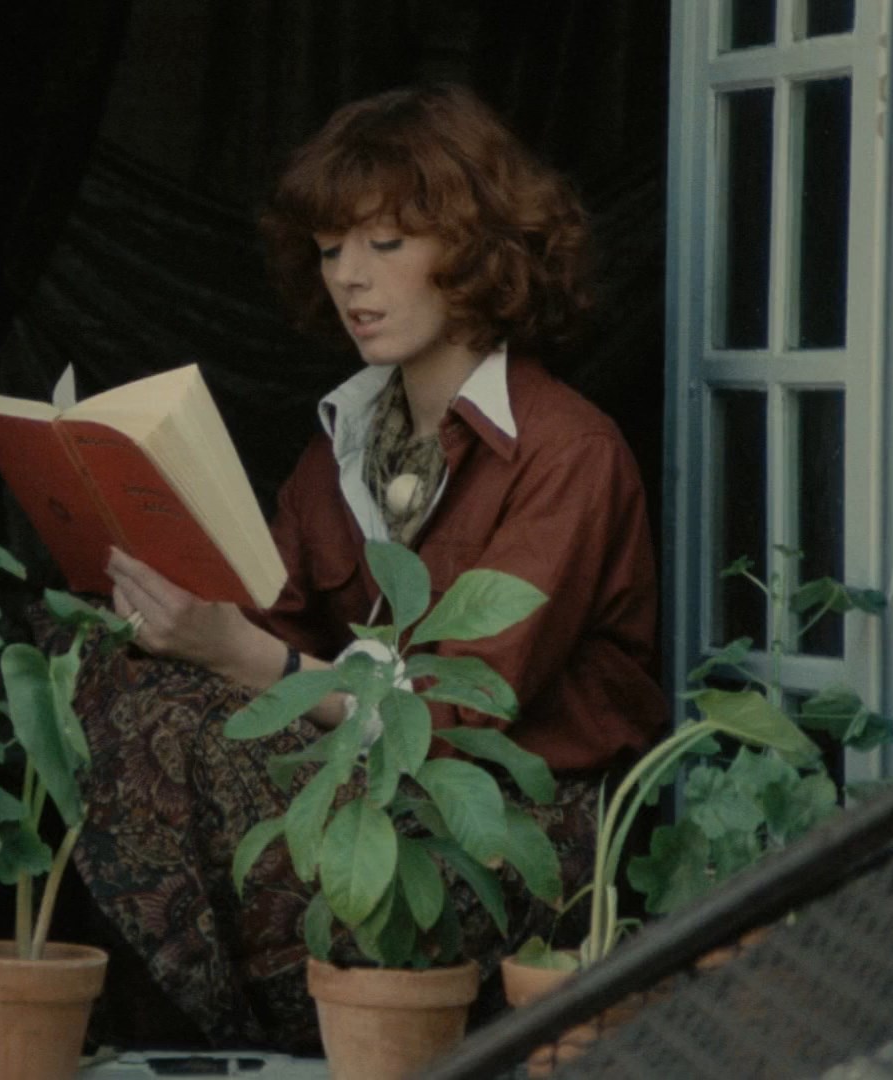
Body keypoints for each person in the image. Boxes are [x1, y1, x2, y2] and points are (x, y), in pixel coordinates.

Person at [56, 83, 665, 1052]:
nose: (350, 278)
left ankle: (265, 1039)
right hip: (354, 780)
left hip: (509, 823)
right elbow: (275, 621)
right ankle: (224, 1043)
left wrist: (240, 654)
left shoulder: (568, 453)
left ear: (476, 248)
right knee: (110, 681)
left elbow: (454, 714)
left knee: (176, 736)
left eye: (385, 243)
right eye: (330, 249)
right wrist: (174, 612)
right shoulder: (343, 437)